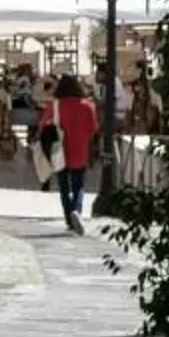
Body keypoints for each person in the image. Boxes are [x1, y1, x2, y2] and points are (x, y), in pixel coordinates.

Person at [52, 71, 98, 233]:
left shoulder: (57, 105)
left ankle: (69, 220)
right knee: (79, 185)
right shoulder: (87, 106)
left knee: (64, 187)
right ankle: (76, 210)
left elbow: (48, 124)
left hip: (61, 150)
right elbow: (93, 129)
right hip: (80, 149)